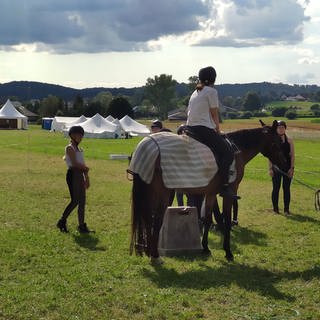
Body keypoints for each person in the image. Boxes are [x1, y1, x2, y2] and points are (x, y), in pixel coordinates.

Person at [186, 66, 239, 199]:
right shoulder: (211, 91)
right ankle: (224, 186)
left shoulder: (196, 92)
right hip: (202, 128)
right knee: (228, 152)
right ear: (213, 78)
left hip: (190, 127)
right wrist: (217, 129)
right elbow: (214, 114)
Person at [57, 126, 91, 233]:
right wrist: (85, 168)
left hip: (80, 175)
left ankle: (81, 225)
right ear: (72, 135)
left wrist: (87, 178)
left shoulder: (80, 149)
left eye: (81, 135)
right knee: (75, 200)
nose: (80, 137)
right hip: (73, 174)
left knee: (82, 201)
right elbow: (75, 163)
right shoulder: (69, 148)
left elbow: (83, 164)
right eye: (77, 135)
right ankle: (62, 221)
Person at [269, 120, 295, 215]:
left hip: (287, 168)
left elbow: (292, 155)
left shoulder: (289, 140)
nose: (280, 129)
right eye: (279, 127)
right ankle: (275, 209)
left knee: (286, 188)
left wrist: (291, 168)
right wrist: (270, 168)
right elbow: (270, 156)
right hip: (276, 168)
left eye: (282, 127)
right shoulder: (273, 141)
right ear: (276, 129)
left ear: (285, 128)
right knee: (276, 188)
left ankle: (286, 210)